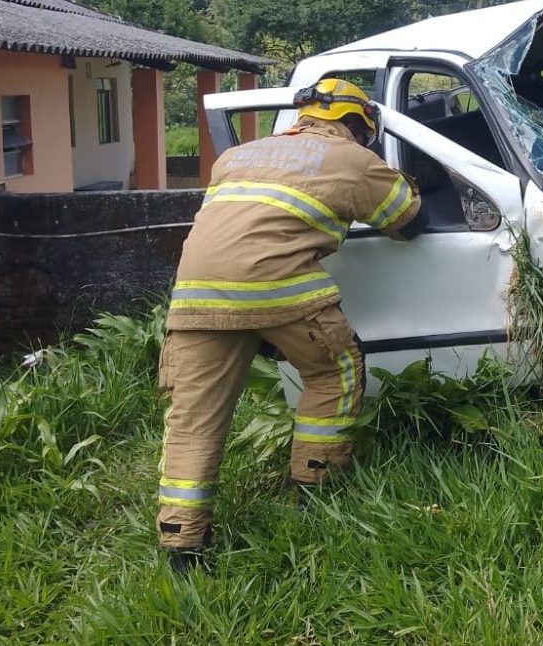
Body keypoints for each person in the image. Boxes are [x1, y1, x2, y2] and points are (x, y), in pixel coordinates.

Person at [156, 78, 426, 570]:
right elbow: (408, 220)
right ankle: (314, 493)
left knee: (194, 417)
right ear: (356, 123)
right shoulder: (353, 158)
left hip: (195, 296)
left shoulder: (236, 156)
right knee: (334, 372)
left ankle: (181, 543)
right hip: (277, 289)